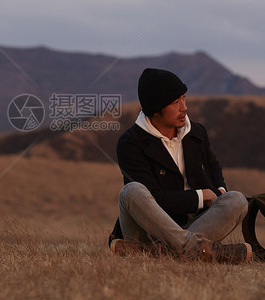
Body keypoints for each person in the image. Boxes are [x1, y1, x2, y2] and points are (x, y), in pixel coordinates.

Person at [108, 68, 252, 264]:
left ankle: (153, 252)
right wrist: (202, 197)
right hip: (146, 229)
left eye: (184, 98)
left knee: (237, 200)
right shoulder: (131, 143)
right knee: (131, 191)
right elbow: (156, 198)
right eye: (175, 102)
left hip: (192, 224)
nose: (184, 107)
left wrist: (218, 193)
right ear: (155, 109)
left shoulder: (197, 132)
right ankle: (200, 250)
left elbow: (213, 167)